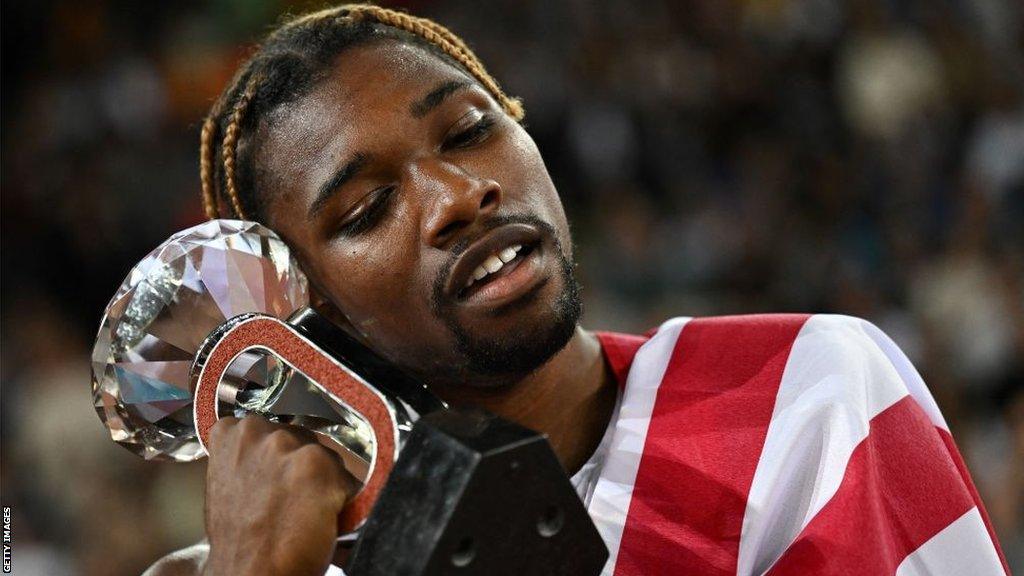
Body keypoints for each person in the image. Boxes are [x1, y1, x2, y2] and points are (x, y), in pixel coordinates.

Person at [145, 4, 1008, 575]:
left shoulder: (805, 393)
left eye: (472, 130)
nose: (457, 195)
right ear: (311, 316)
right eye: (368, 208)